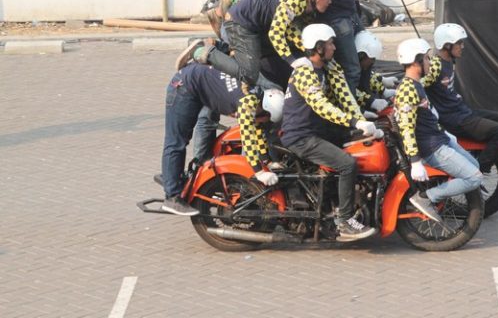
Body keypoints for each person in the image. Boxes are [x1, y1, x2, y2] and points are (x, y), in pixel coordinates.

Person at [280, 23, 378, 241]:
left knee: (360, 142)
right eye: (330, 43)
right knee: (347, 164)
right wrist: (354, 121)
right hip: (301, 137)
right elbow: (321, 106)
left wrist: (363, 122)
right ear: (318, 47)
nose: (334, 47)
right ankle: (345, 221)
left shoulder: (326, 68)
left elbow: (346, 97)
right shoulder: (304, 72)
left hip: (318, 131)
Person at [160, 63, 284, 216]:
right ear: (264, 110)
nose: (266, 122)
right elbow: (248, 139)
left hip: (198, 83)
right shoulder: (247, 104)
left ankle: (171, 177)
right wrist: (259, 172)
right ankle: (172, 197)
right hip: (184, 86)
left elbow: (257, 131)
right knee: (177, 141)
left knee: (181, 140)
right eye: (267, 118)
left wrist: (267, 162)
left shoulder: (259, 96)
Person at [193, 0, 337, 91]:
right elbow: (276, 33)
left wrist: (309, 49)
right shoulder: (294, 2)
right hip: (240, 23)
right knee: (249, 74)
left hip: (252, 25)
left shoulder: (300, 1)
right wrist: (292, 61)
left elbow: (289, 29)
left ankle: (222, 48)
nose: (330, 2)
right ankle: (205, 52)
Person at [394, 37, 484, 222]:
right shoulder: (407, 90)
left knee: (475, 166)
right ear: (416, 61)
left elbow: (429, 115)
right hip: (432, 147)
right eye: (426, 59)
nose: (430, 62)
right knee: (474, 178)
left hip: (440, 138)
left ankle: (442, 195)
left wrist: (447, 134)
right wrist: (415, 161)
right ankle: (426, 197)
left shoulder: (417, 84)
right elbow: (406, 128)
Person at [423, 23, 498, 174]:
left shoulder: (450, 61)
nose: (462, 46)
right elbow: (419, 83)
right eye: (459, 43)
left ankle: (473, 155)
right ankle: (478, 170)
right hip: (453, 119)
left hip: (461, 111)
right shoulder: (436, 64)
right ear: (447, 45)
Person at [353, 30, 398, 113]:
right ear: (362, 55)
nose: (373, 62)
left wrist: (382, 86)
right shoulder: (347, 70)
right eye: (372, 59)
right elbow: (348, 90)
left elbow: (368, 76)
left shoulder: (361, 65)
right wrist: (370, 102)